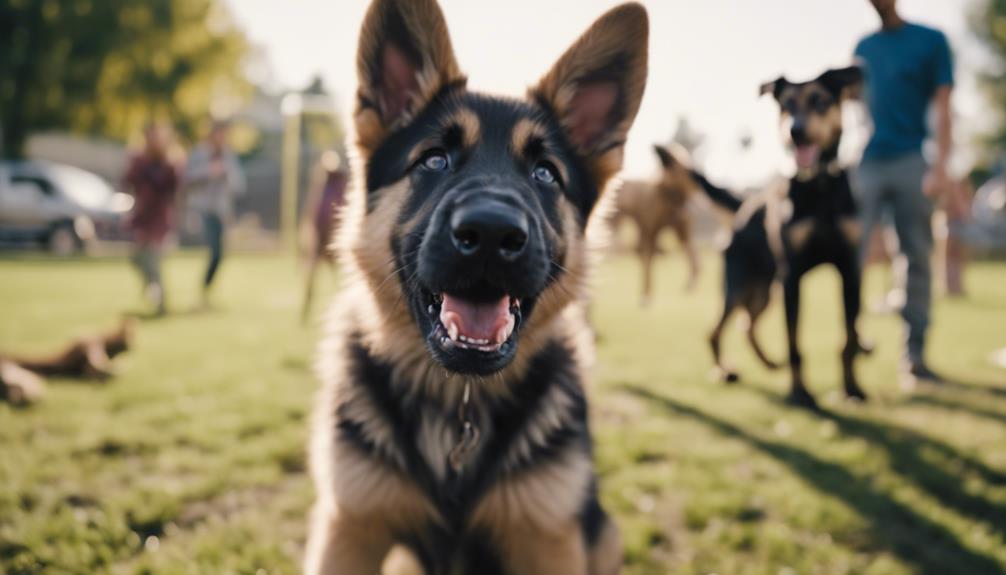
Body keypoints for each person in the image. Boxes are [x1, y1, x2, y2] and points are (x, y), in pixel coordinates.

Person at [854, 0, 954, 384]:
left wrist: (941, 166)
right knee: (851, 253)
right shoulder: (864, 48)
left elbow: (944, 107)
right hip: (868, 162)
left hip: (913, 160)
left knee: (916, 255)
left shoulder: (931, 41)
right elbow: (852, 108)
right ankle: (853, 339)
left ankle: (914, 356)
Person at [184, 120, 245, 308]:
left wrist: (226, 174)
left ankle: (206, 290)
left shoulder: (229, 156)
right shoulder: (199, 154)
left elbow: (239, 186)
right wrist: (208, 172)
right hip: (202, 209)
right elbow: (187, 179)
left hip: (220, 211)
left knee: (219, 254)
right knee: (214, 250)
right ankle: (203, 292)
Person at [123, 123, 180, 316]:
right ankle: (151, 288)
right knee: (137, 258)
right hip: (142, 215)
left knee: (154, 261)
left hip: (160, 218)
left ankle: (161, 303)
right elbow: (128, 181)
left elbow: (175, 188)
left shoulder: (168, 162)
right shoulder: (139, 160)